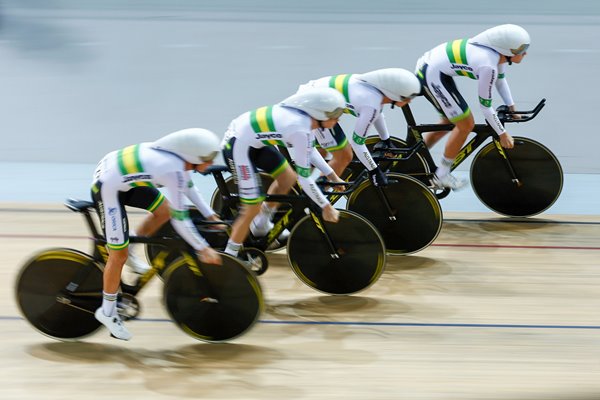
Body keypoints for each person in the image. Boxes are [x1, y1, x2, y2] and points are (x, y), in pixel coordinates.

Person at [91, 128, 223, 340]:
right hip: (108, 187)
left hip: (121, 174)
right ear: (193, 156)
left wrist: (210, 215)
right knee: (118, 255)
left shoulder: (180, 161)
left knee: (164, 211)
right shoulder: (172, 169)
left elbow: (189, 188)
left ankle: (132, 254)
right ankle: (107, 312)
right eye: (206, 159)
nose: (209, 164)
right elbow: (181, 219)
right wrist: (202, 248)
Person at [221, 87, 345, 257]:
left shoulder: (309, 122)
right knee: (252, 206)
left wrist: (332, 175)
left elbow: (309, 150)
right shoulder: (300, 128)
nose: (337, 121)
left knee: (288, 178)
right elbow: (305, 179)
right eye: (335, 117)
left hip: (255, 142)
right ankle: (230, 254)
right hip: (237, 145)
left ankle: (261, 225)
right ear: (320, 115)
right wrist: (326, 206)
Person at [415, 24, 530, 190]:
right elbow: (485, 106)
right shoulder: (488, 65)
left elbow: (500, 81)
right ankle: (441, 175)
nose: (525, 53)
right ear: (508, 51)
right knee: (465, 124)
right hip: (432, 74)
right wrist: (502, 133)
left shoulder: (498, 56)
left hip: (433, 68)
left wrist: (512, 107)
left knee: (448, 121)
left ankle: (415, 159)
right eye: (521, 49)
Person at [296, 68, 421, 184]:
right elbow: (357, 143)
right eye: (406, 97)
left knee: (322, 152)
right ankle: (319, 199)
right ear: (394, 94)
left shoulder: (376, 94)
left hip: (312, 97)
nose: (409, 101)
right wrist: (374, 171)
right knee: (344, 156)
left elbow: (378, 115)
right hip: (314, 107)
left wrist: (386, 140)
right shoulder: (371, 103)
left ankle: (296, 187)